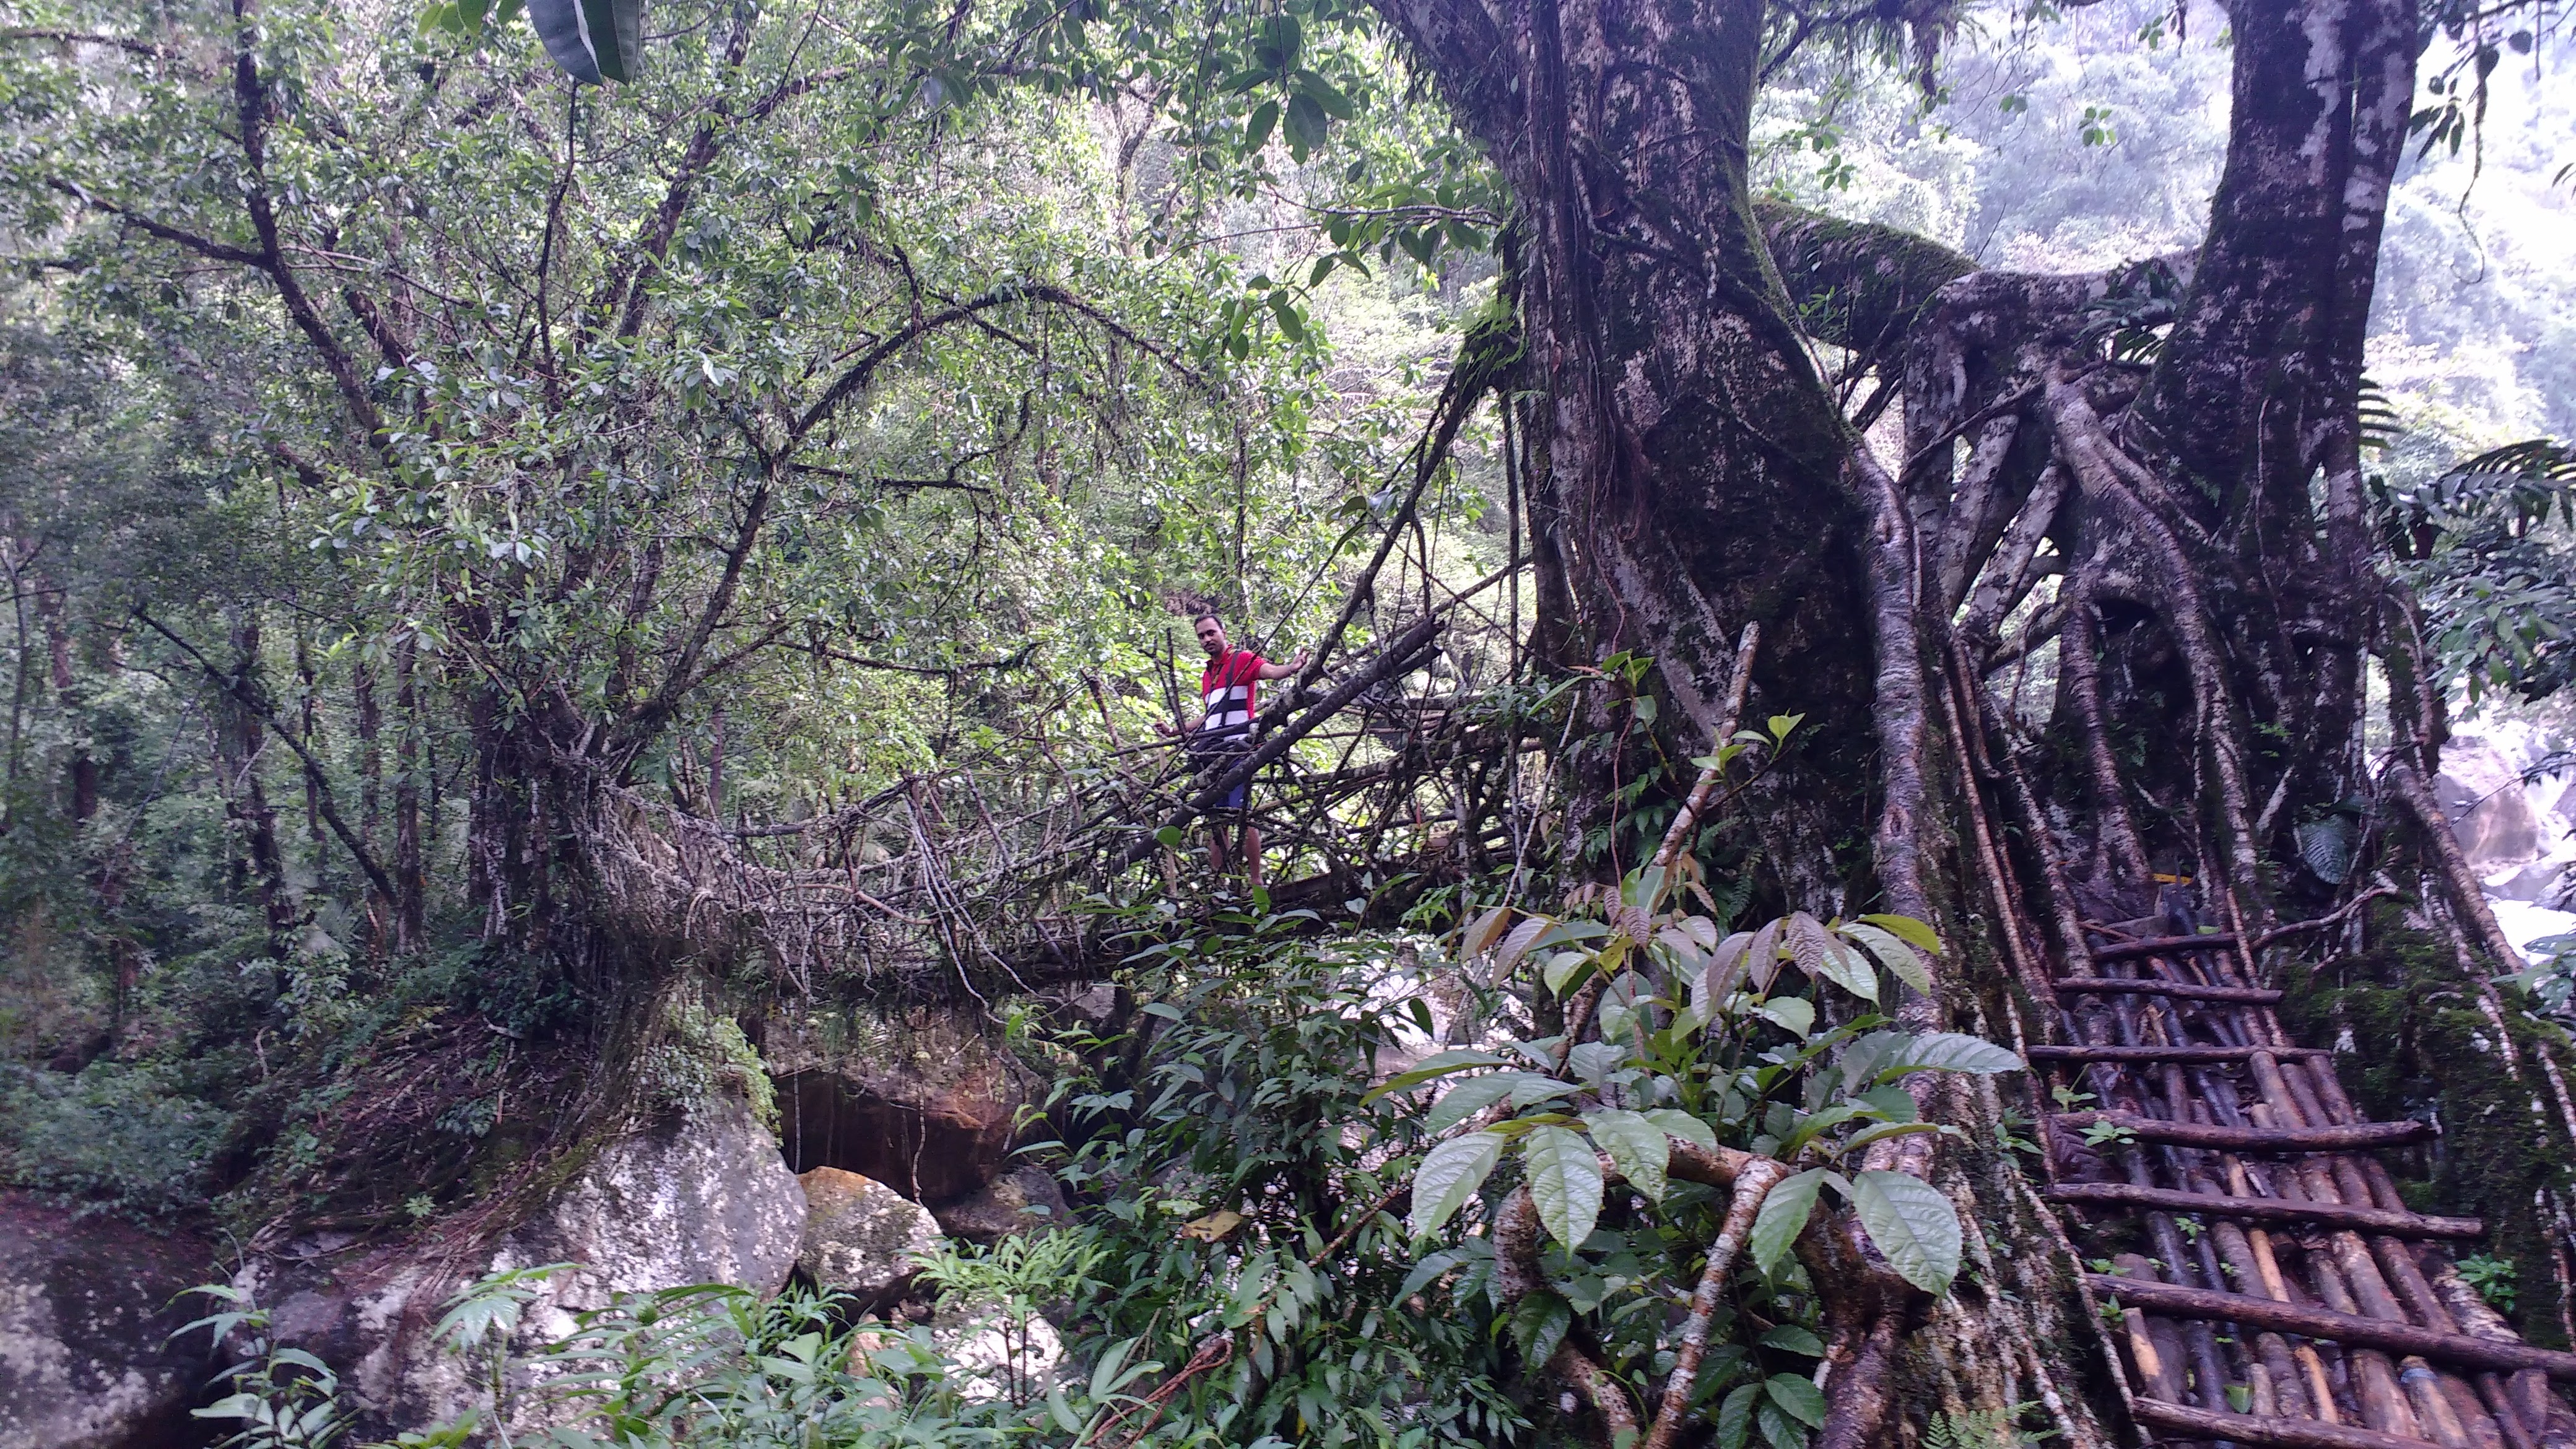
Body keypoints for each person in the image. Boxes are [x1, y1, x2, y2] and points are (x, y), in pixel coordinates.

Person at [1154, 611, 1308, 888]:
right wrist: (1176, 731)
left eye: (1211, 633)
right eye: (1201, 636)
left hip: (1239, 749)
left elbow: (1270, 672)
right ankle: (1218, 885)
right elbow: (1210, 715)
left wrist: (1292, 668)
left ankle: (1256, 881)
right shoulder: (1208, 675)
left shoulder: (1242, 661)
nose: (1207, 639)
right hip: (1212, 752)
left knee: (1241, 812)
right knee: (1216, 819)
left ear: (1224, 633)